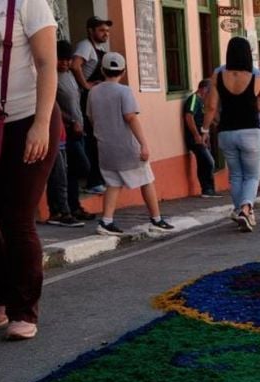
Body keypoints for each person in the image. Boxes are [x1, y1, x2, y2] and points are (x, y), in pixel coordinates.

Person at [0, 0, 61, 340]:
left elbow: (47, 63)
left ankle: (23, 310)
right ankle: (1, 297)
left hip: (28, 120)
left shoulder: (27, 3)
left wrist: (41, 123)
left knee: (17, 218)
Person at [87, 53, 173, 236]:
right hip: (125, 146)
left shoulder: (93, 91)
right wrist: (144, 144)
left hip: (104, 146)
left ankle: (107, 220)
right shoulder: (123, 91)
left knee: (112, 182)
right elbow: (130, 117)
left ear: (102, 70)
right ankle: (156, 219)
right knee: (147, 179)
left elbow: (91, 117)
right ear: (123, 71)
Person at [203, 37, 260, 232]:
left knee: (235, 176)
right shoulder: (254, 77)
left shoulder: (218, 75)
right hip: (250, 130)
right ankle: (246, 208)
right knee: (252, 175)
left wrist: (205, 129)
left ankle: (239, 210)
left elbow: (210, 106)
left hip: (226, 132)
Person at [52, 39, 93, 223]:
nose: (65, 63)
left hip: (77, 131)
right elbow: (53, 106)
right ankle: (61, 210)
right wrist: (71, 121)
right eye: (61, 59)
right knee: (71, 169)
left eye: (68, 60)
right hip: (63, 131)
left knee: (73, 171)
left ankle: (74, 206)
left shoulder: (68, 75)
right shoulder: (51, 77)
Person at [71, 15, 111, 195]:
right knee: (90, 140)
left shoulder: (98, 48)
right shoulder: (85, 46)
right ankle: (92, 181)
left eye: (107, 31)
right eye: (102, 30)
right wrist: (85, 84)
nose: (106, 34)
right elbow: (75, 65)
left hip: (92, 97)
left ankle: (97, 179)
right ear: (91, 31)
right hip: (82, 97)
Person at [183, 79, 218, 198]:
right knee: (209, 162)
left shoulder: (202, 102)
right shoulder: (194, 99)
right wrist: (196, 135)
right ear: (204, 90)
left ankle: (209, 189)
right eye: (209, 92)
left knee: (204, 162)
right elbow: (189, 116)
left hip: (202, 137)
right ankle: (206, 188)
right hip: (195, 138)